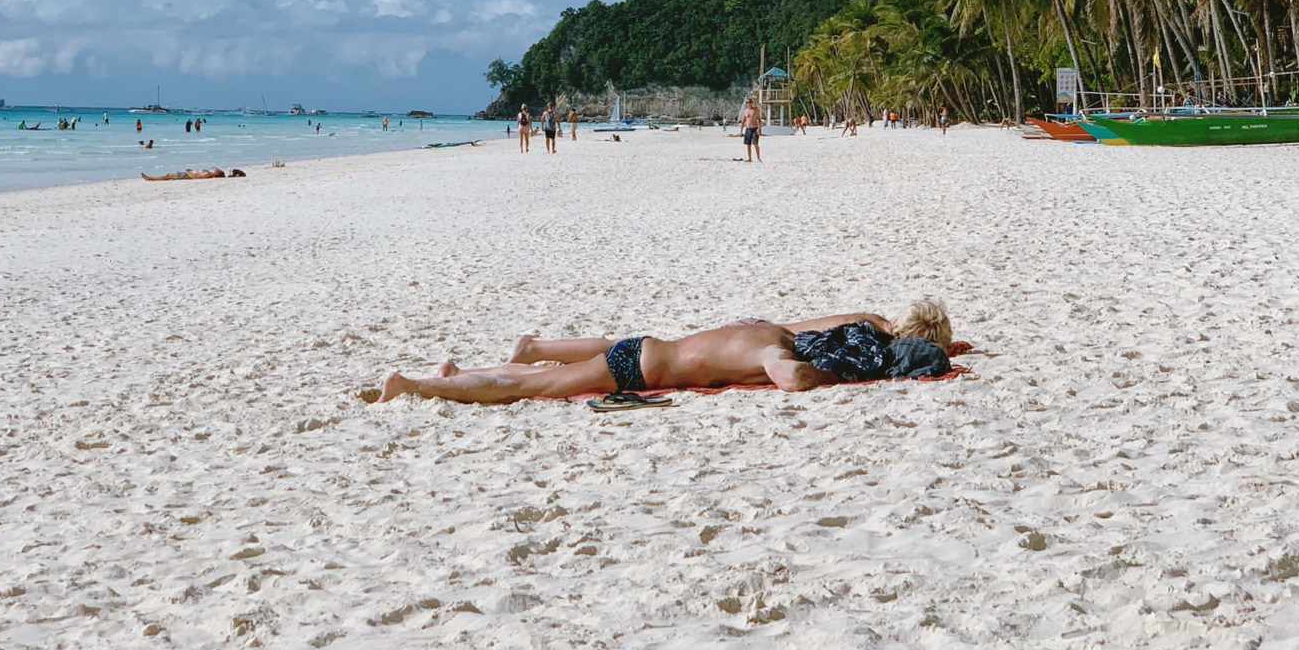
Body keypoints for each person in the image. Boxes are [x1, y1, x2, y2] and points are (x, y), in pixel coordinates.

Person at [376, 300, 953, 405]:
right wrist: (837, 380)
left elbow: (842, 323)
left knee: (544, 377)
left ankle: (456, 373)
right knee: (531, 388)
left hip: (644, 352)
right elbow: (794, 379)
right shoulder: (778, 351)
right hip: (636, 368)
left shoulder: (774, 330)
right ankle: (418, 386)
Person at [740, 94, 762, 162]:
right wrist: (741, 130)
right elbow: (743, 120)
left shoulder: (755, 110)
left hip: (754, 128)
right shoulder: (745, 110)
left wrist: (759, 128)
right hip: (748, 128)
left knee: (755, 143)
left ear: (752, 103)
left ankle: (758, 158)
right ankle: (749, 158)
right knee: (748, 144)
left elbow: (759, 119)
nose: (748, 103)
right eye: (747, 102)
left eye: (749, 102)